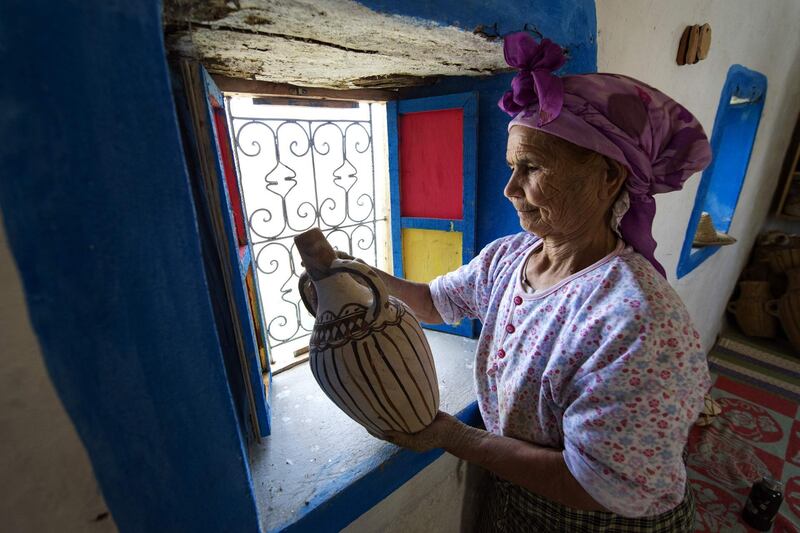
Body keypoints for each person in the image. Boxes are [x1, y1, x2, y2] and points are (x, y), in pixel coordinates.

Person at [365, 32, 712, 532]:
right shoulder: (510, 260)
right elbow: (432, 302)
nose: (510, 190)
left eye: (531, 168)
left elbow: (595, 484)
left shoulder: (635, 321)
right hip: (523, 502)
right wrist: (361, 274)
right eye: (512, 167)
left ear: (608, 179)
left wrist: (452, 436)